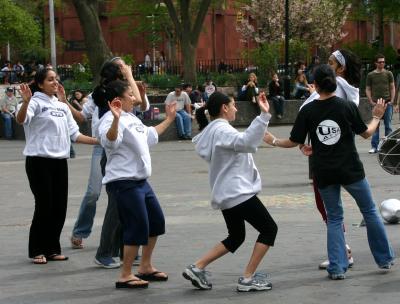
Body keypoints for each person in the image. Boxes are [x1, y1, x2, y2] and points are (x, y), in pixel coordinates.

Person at [264, 64, 395, 280]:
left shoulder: (308, 110)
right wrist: (377, 116)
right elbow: (366, 133)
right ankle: (384, 258)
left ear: (314, 85)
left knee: (334, 218)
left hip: (323, 170)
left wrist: (273, 140)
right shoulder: (345, 106)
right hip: (350, 168)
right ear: (334, 82)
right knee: (370, 211)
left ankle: (337, 267)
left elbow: (294, 141)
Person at [183, 91, 278, 292]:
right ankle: (247, 278)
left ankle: (197, 267)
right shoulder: (223, 130)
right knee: (269, 229)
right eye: (233, 105)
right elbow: (245, 143)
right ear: (224, 108)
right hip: (238, 193)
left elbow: (243, 141)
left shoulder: (214, 130)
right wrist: (263, 116)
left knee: (236, 236)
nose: (235, 108)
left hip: (228, 194)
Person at [66, 57, 148, 268]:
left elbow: (140, 102)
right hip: (106, 146)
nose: (127, 67)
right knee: (103, 196)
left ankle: (123, 248)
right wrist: (64, 102)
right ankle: (99, 246)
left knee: (124, 202)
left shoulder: (121, 89)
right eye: (122, 66)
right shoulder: (104, 92)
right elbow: (136, 101)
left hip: (122, 146)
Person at [98, 79, 177, 289]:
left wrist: (169, 119)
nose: (134, 98)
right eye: (130, 95)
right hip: (123, 182)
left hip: (140, 181)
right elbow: (110, 142)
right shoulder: (108, 119)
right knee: (137, 225)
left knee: (156, 221)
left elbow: (149, 135)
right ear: (118, 100)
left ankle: (145, 267)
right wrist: (115, 120)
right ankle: (125, 274)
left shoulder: (132, 118)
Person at [15, 68, 98, 265]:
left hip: (59, 161)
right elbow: (21, 120)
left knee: (59, 207)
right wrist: (26, 102)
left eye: (56, 79)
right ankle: (37, 249)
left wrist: (99, 141)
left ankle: (52, 248)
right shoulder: (34, 101)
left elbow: (75, 135)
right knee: (44, 205)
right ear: (41, 83)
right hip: (38, 161)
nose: (55, 82)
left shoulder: (61, 106)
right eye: (50, 79)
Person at [301, 49, 361, 270]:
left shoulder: (339, 87)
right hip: (339, 153)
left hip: (326, 156)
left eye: (330, 62)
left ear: (340, 68)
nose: (326, 65)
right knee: (346, 207)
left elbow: (306, 112)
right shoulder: (341, 88)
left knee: (327, 207)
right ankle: (372, 253)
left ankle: (343, 252)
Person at [366, 54, 396, 154]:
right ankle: (374, 146)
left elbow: (392, 87)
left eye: (383, 62)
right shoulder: (371, 75)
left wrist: (392, 100)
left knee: (388, 126)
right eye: (380, 62)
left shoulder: (389, 73)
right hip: (376, 103)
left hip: (387, 102)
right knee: (376, 126)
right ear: (375, 63)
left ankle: (388, 147)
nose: (382, 63)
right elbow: (368, 88)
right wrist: (370, 100)